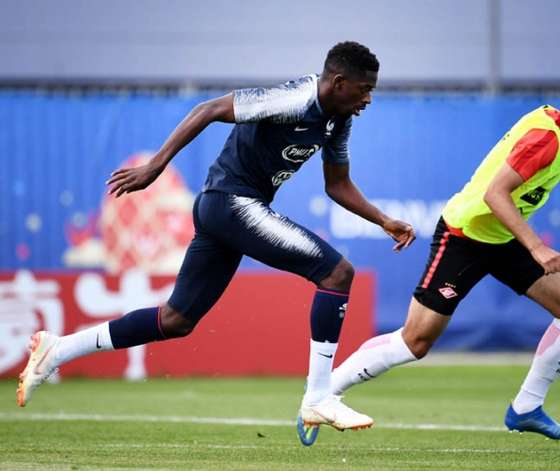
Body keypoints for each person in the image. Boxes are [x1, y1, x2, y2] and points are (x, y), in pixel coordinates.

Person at [16, 42, 416, 435]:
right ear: (339, 81)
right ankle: (317, 397)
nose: (368, 99)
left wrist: (383, 220)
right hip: (230, 202)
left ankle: (59, 349)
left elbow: (338, 184)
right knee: (336, 274)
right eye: (365, 89)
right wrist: (156, 166)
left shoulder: (340, 119)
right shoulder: (294, 97)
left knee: (177, 320)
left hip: (224, 210)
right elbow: (207, 109)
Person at [329, 65, 560, 440]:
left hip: (503, 238)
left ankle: (526, 407)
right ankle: (325, 391)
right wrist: (537, 247)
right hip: (463, 236)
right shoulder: (544, 138)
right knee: (415, 341)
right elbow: (494, 195)